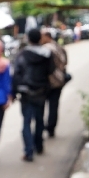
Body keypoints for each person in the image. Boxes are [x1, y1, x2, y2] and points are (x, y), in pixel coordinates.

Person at [11, 29, 55, 162]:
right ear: (40, 39)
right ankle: (39, 145)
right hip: (41, 91)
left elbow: (16, 74)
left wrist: (13, 93)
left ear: (28, 39)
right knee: (40, 120)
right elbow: (51, 70)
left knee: (26, 122)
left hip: (26, 93)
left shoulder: (22, 55)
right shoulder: (47, 54)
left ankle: (28, 151)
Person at [40, 28, 68, 138]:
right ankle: (51, 128)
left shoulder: (46, 49)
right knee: (54, 106)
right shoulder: (58, 46)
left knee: (44, 106)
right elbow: (65, 61)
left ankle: (44, 128)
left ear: (47, 36)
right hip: (59, 80)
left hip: (49, 81)